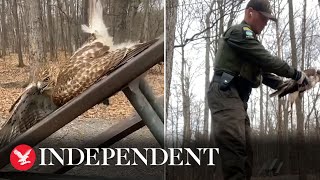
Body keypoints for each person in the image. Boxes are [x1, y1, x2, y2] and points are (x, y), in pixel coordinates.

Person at [207, 0, 310, 179]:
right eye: (263, 18)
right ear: (250, 13)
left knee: (246, 154)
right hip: (225, 93)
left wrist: (287, 85)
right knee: (235, 154)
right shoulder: (240, 33)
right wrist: (297, 75)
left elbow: (264, 73)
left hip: (237, 98)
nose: (265, 23)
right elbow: (267, 60)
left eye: (268, 20)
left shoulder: (251, 42)